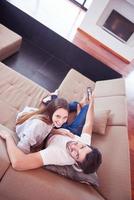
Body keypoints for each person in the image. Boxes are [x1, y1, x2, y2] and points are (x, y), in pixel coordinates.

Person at [0, 93, 102, 174]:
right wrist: (92, 102)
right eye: (82, 146)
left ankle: (70, 105)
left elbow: (18, 163)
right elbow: (89, 124)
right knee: (86, 107)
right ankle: (78, 105)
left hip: (52, 131)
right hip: (68, 131)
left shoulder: (57, 155)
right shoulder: (87, 147)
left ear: (76, 163)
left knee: (59, 107)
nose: (75, 146)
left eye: (76, 154)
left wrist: (8, 137)